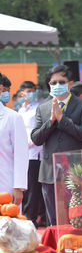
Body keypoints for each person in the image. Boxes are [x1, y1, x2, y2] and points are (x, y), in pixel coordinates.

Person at [31, 65, 82, 226]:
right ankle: (59, 249)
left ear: (70, 84)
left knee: (79, 217)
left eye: (61, 82)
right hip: (50, 171)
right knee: (55, 219)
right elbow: (36, 138)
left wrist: (63, 120)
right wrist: (51, 121)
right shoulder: (43, 108)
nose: (57, 86)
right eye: (53, 83)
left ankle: (80, 247)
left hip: (74, 171)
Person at [18, 81, 46, 226]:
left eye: (32, 90)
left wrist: (28, 143)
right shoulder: (20, 110)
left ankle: (31, 218)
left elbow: (39, 130)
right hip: (22, 154)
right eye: (27, 91)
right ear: (22, 93)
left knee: (34, 187)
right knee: (26, 186)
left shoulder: (38, 109)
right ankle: (29, 215)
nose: (30, 93)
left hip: (35, 153)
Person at [0, 74, 28, 208]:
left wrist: (18, 186)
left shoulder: (13, 117)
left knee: (7, 225)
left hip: (5, 184)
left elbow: (21, 155)